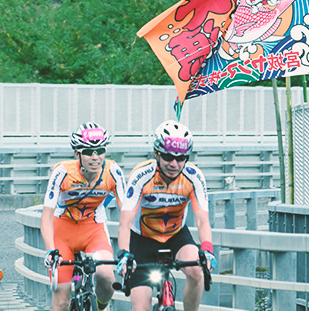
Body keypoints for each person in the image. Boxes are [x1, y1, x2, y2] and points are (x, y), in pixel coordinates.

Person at [116, 120, 215, 311]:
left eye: (181, 158)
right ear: (156, 153)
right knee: (141, 307)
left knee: (197, 271)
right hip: (142, 239)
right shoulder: (142, 175)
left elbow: (203, 221)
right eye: (168, 157)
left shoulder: (194, 177)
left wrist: (207, 250)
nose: (174, 164)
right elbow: (125, 222)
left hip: (176, 235)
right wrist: (124, 253)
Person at [41, 122, 126, 311]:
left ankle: (100, 307)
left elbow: (127, 215)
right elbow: (46, 216)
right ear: (76, 153)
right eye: (88, 152)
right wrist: (50, 250)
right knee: (61, 302)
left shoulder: (112, 171)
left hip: (93, 231)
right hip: (62, 232)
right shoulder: (62, 172)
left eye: (100, 150)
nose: (95, 157)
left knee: (106, 276)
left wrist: (128, 249)